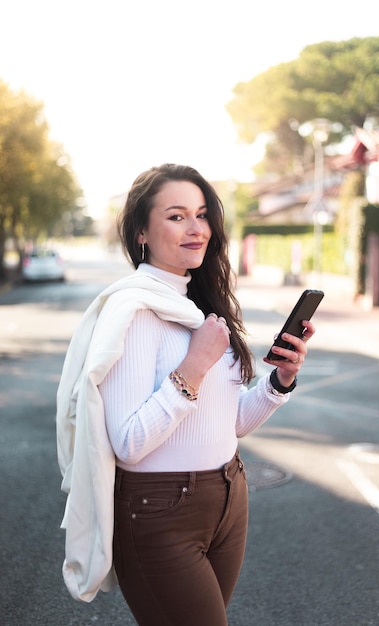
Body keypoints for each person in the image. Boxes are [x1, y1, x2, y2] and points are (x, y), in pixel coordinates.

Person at [56, 163, 315, 626]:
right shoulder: (135, 310)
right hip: (160, 510)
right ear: (141, 232)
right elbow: (128, 443)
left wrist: (279, 383)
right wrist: (193, 367)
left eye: (201, 214)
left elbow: (228, 423)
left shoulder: (200, 307)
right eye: (176, 216)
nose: (196, 228)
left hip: (228, 496)